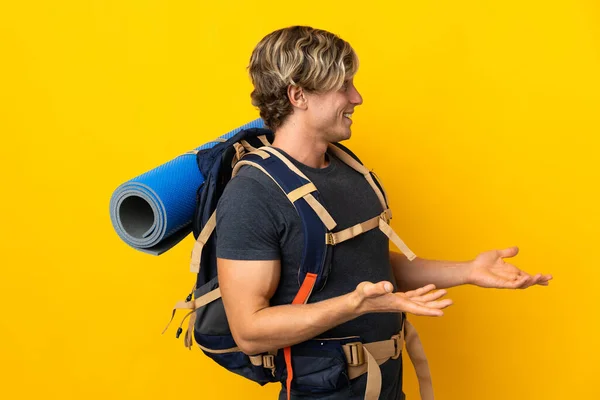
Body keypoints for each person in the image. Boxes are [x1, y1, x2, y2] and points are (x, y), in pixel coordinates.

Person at [215, 25, 552, 400]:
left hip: (389, 386)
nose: (357, 97)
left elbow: (372, 269)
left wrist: (469, 271)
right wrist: (355, 305)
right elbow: (249, 331)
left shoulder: (351, 172)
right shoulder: (253, 193)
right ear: (298, 95)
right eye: (343, 85)